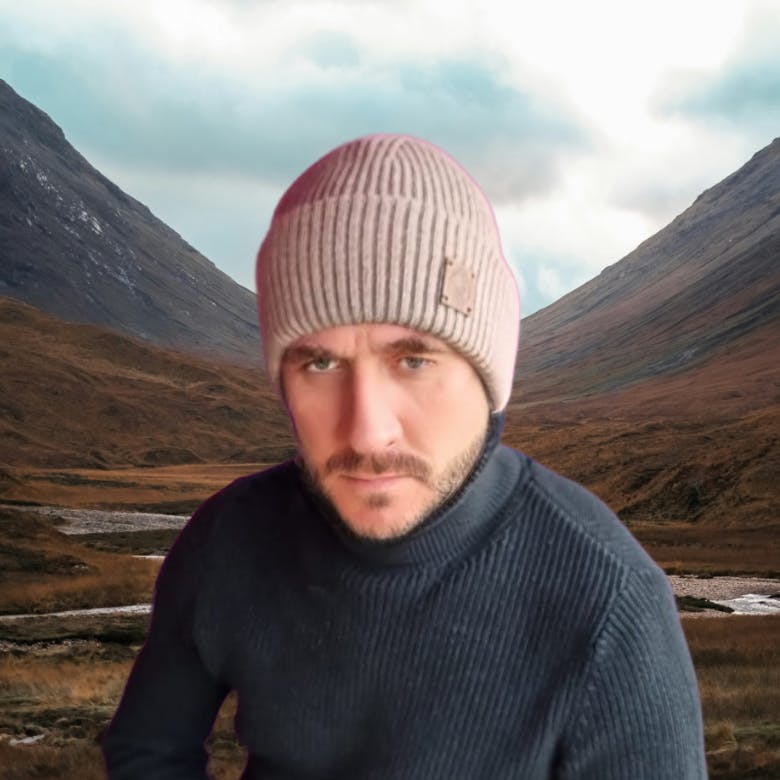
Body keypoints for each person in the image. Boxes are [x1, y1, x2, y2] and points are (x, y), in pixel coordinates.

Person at [103, 134, 707, 778]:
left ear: (488, 377)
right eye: (320, 363)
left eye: (414, 360)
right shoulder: (229, 538)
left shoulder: (608, 598)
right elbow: (148, 750)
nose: (367, 432)